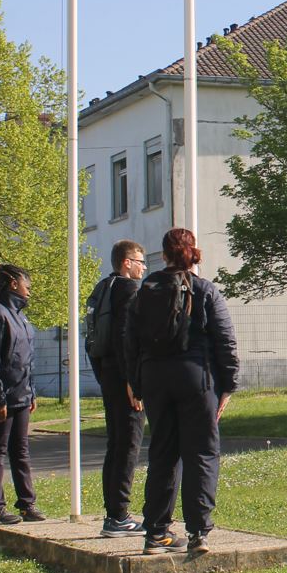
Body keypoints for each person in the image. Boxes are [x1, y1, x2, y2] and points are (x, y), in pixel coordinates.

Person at [125, 228, 240, 555]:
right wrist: (228, 384)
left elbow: (129, 340)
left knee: (162, 452)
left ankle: (156, 533)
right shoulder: (204, 290)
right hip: (196, 377)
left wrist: (136, 382)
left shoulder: (145, 291)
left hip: (156, 379)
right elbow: (225, 340)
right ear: (194, 253)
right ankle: (198, 532)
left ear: (163, 255)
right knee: (201, 452)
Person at [0, 263, 45, 525]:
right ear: (14, 284)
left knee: (21, 450)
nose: (30, 292)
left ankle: (27, 504)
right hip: (0, 398)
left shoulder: (21, 317)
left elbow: (26, 360)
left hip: (21, 396)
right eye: (28, 286)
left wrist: (31, 393)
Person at [88, 240, 147, 537]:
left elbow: (92, 339)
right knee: (128, 445)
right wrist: (132, 382)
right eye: (140, 261)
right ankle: (118, 515)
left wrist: (104, 375)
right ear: (126, 262)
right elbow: (126, 336)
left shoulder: (102, 289)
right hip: (124, 379)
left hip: (108, 375)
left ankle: (114, 512)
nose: (143, 267)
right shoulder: (128, 289)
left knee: (116, 444)